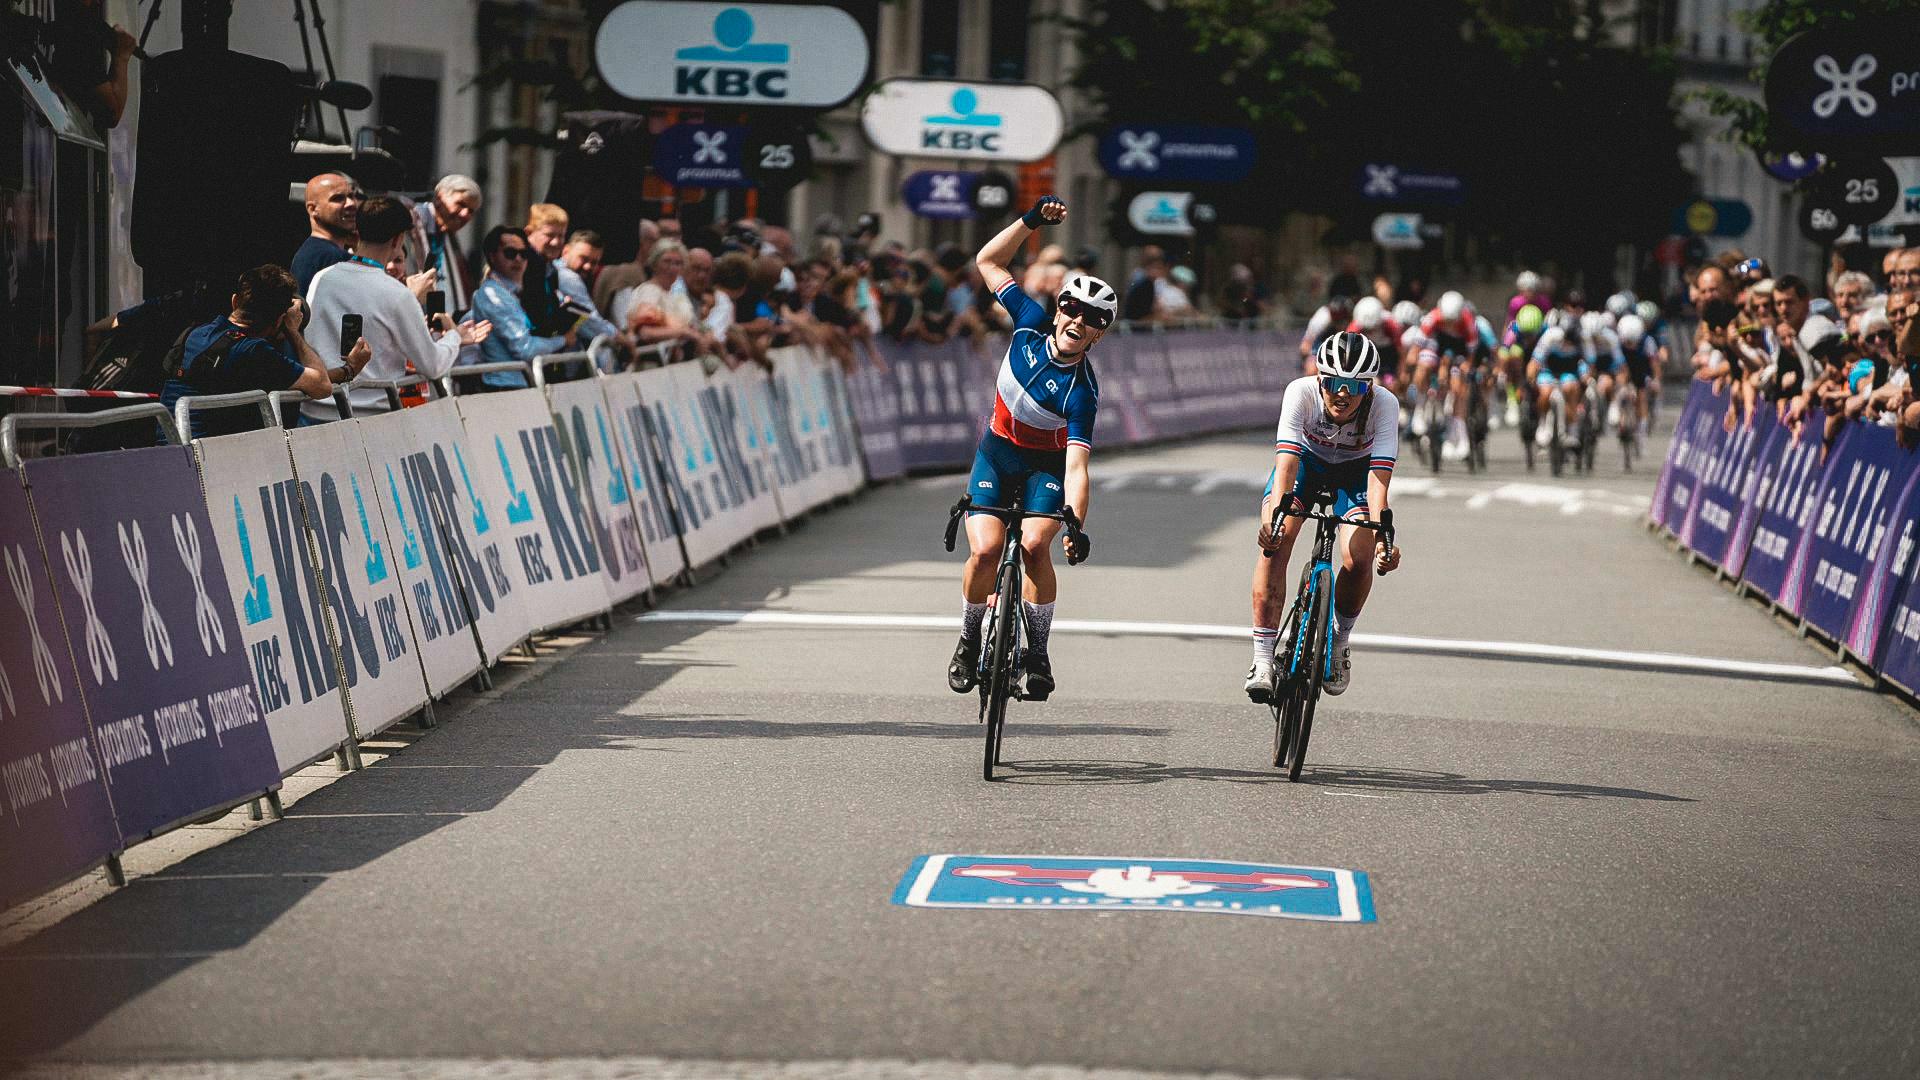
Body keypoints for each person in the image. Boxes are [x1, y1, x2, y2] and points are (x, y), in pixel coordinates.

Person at [949, 195, 1108, 703]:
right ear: (1059, 308)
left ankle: (1037, 653)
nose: (1076, 321)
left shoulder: (1082, 390)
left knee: (1036, 545)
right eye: (1071, 308)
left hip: (1046, 468)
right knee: (985, 549)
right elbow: (988, 262)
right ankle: (969, 637)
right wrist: (1032, 221)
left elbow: (1078, 466)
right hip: (997, 453)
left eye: (1091, 319)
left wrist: (1077, 524)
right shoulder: (1029, 321)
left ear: (1098, 334)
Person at [1247, 331, 1401, 701]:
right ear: (1320, 379)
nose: (1343, 394)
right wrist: (1273, 519)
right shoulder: (1299, 393)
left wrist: (1385, 541)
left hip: (1355, 473)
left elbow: (1379, 482)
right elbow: (1285, 466)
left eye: (1355, 386)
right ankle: (1263, 660)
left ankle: (1338, 640)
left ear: (1370, 387)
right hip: (1306, 468)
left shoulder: (1385, 405)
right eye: (1333, 382)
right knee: (1276, 543)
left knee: (1359, 557)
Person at [302, 197, 490, 421]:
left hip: (314, 412)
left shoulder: (322, 278)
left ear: (358, 230)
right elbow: (434, 365)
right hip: (371, 418)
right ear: (398, 240)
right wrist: (455, 336)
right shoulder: (397, 294)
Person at [161, 265, 368, 439]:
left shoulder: (195, 333)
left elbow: (299, 378)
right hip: (204, 464)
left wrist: (346, 370)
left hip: (170, 450)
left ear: (235, 301)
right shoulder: (253, 351)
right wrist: (293, 332)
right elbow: (321, 386)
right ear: (280, 319)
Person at [467, 226, 574, 390]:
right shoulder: (492, 294)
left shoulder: (509, 293)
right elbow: (525, 349)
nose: (518, 259)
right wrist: (563, 340)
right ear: (492, 256)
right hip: (503, 386)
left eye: (524, 254)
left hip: (517, 384)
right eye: (510, 253)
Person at [409, 174, 483, 314]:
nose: (465, 215)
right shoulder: (412, 222)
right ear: (439, 197)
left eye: (471, 211)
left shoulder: (447, 236)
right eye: (461, 204)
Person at [293, 173, 361, 292]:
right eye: (338, 198)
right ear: (313, 209)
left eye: (351, 196)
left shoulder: (314, 253)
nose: (351, 203)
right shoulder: (330, 257)